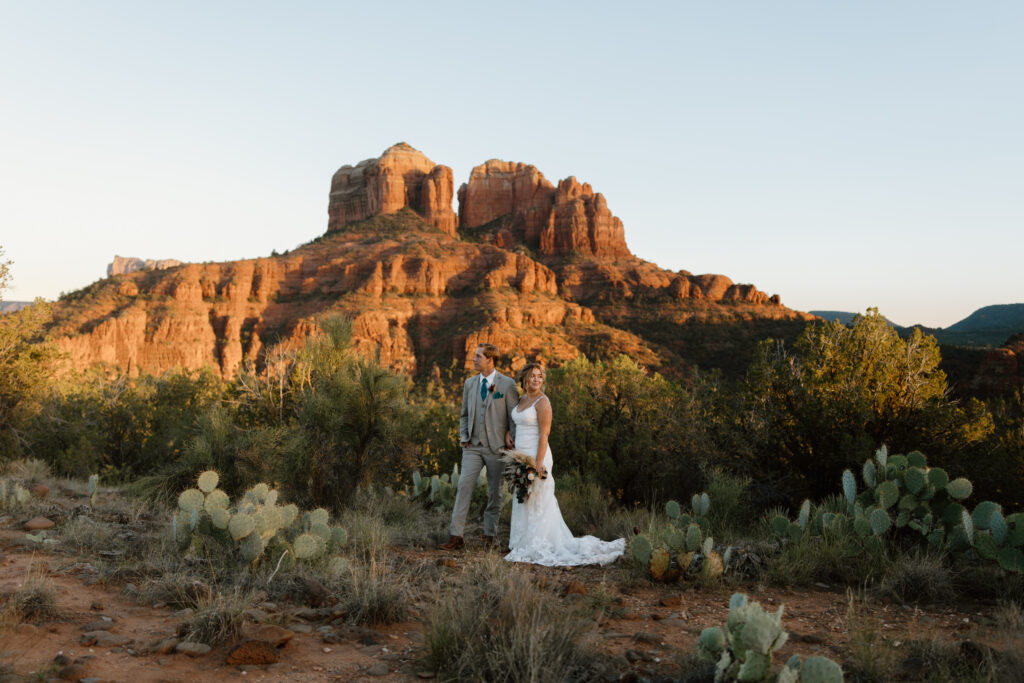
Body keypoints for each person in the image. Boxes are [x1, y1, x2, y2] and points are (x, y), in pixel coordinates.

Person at [505, 362, 625, 566]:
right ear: (524, 379)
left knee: (538, 500)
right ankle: (522, 541)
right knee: (523, 497)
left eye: (539, 376)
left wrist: (538, 463)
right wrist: (509, 433)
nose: (536, 379)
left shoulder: (543, 402)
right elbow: (517, 421)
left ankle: (539, 543)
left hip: (537, 456)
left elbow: (544, 434)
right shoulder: (522, 399)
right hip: (520, 456)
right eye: (532, 376)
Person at [439, 344, 519, 551]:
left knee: (495, 493)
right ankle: (456, 537)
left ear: (490, 360)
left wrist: (512, 437)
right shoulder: (469, 384)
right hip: (472, 447)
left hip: (497, 447)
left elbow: (514, 417)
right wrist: (464, 436)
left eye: (478, 356)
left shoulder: (508, 385)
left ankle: (489, 537)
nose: (473, 359)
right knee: (464, 487)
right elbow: (464, 414)